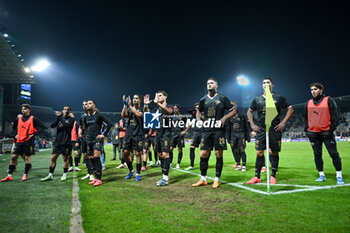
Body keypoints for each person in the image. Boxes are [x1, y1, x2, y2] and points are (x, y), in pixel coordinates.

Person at [246, 77, 294, 184]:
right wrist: (252, 124)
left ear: (272, 85)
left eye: (268, 82)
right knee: (259, 152)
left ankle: (273, 176)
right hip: (261, 129)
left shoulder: (279, 97)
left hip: (274, 128)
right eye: (263, 83)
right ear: (262, 85)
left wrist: (283, 122)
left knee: (274, 152)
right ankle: (256, 176)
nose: (265, 84)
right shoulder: (257, 99)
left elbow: (290, 109)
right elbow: (249, 111)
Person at [192, 78, 236, 189]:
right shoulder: (203, 99)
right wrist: (198, 120)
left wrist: (224, 118)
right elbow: (198, 112)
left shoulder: (222, 98)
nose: (209, 85)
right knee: (203, 154)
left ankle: (217, 179)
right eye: (207, 83)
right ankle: (203, 179)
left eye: (211, 83)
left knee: (218, 154)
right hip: (206, 130)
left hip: (219, 130)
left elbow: (234, 110)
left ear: (216, 86)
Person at [304, 83, 344, 185]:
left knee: (333, 154)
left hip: (326, 133)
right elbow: (305, 118)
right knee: (317, 155)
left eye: (315, 89)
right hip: (313, 134)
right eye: (311, 89)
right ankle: (321, 175)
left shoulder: (329, 100)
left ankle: (339, 176)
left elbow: (335, 116)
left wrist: (330, 130)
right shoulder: (308, 103)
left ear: (321, 90)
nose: (313, 91)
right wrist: (307, 130)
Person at [1, 104, 45, 182]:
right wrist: (15, 135)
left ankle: (25, 175)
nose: (23, 110)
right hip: (19, 141)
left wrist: (34, 134)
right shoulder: (19, 118)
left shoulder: (33, 118)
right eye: (22, 109)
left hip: (28, 141)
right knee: (13, 157)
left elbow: (43, 126)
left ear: (29, 110)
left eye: (25, 109)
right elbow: (14, 127)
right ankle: (9, 176)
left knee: (27, 158)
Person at [144, 91, 174, 186]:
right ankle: (163, 176)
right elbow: (147, 116)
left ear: (165, 96)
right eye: (157, 96)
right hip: (158, 134)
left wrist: (158, 104)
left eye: (160, 95)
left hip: (166, 133)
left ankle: (165, 178)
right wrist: (145, 105)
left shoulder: (169, 106)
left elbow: (169, 112)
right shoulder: (157, 109)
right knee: (160, 155)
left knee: (165, 154)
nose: (158, 97)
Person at [41, 106, 75, 181]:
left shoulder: (71, 119)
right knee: (53, 158)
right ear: (62, 111)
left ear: (70, 112)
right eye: (65, 109)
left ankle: (64, 174)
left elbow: (67, 126)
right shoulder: (60, 119)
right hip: (57, 143)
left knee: (65, 159)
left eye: (68, 110)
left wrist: (60, 118)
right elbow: (52, 126)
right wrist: (58, 118)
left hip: (66, 143)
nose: (66, 111)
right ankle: (50, 175)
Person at [83, 100, 112, 187]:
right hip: (89, 140)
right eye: (87, 104)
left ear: (94, 105)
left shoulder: (98, 115)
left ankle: (99, 179)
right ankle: (95, 178)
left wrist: (103, 134)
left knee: (96, 158)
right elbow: (86, 128)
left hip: (97, 140)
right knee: (91, 159)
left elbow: (109, 124)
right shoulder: (85, 117)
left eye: (90, 103)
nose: (88, 105)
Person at [121, 94, 144, 181]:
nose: (134, 100)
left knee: (138, 154)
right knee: (125, 153)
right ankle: (131, 171)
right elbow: (123, 115)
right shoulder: (130, 109)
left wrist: (130, 105)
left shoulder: (143, 109)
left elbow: (139, 115)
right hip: (129, 134)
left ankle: (138, 174)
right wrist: (125, 105)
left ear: (140, 100)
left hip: (138, 134)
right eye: (133, 98)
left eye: (136, 98)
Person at [226, 101, 251, 172]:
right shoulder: (229, 116)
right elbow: (228, 128)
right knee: (234, 150)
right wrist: (228, 138)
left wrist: (247, 137)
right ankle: (238, 164)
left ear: (236, 106)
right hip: (233, 135)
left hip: (241, 134)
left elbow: (246, 126)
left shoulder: (242, 115)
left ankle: (244, 165)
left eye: (234, 105)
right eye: (231, 105)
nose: (232, 106)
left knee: (242, 149)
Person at [79, 101, 94, 181]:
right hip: (84, 138)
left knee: (91, 155)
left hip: (91, 138)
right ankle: (89, 172)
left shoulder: (93, 115)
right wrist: (79, 132)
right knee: (85, 155)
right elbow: (81, 126)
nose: (84, 106)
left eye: (86, 104)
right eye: (83, 104)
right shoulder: (82, 117)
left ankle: (92, 173)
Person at [184, 103, 202, 170]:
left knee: (204, 150)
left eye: (198, 107)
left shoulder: (203, 113)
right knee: (191, 148)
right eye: (196, 107)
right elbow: (187, 110)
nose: (197, 108)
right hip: (196, 133)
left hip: (203, 133)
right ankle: (191, 165)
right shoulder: (194, 115)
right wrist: (196, 109)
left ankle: (203, 164)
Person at [169, 104, 186, 169]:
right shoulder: (171, 117)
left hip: (179, 135)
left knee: (180, 149)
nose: (175, 109)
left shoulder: (182, 117)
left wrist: (184, 131)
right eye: (174, 108)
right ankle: (170, 163)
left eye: (176, 108)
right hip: (173, 135)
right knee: (170, 149)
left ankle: (178, 164)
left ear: (178, 109)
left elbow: (187, 124)